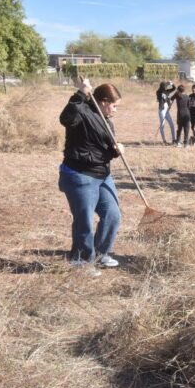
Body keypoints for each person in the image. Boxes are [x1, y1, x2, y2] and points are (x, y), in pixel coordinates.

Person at [58, 78, 125, 270]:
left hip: (102, 174)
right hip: (80, 175)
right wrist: (80, 93)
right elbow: (66, 119)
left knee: (113, 215)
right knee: (84, 220)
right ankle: (81, 260)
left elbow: (103, 148)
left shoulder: (106, 120)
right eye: (114, 105)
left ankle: (100, 253)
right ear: (103, 102)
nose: (115, 110)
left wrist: (116, 150)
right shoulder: (82, 112)